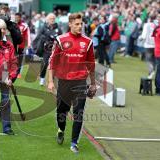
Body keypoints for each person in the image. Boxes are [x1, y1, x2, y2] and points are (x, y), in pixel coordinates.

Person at [48, 13, 97, 153]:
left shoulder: (88, 42)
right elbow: (52, 61)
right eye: (76, 24)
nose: (80, 26)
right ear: (70, 24)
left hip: (80, 82)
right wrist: (51, 81)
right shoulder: (60, 40)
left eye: (81, 24)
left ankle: (74, 143)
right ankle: (61, 129)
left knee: (78, 113)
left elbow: (91, 65)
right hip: (63, 82)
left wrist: (93, 84)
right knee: (61, 112)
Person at [35, 13, 62, 86]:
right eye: (51, 18)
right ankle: (42, 78)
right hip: (46, 49)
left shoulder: (58, 28)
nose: (52, 20)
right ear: (47, 19)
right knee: (45, 63)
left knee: (55, 65)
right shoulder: (43, 27)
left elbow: (61, 38)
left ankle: (52, 80)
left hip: (55, 49)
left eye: (53, 18)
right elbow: (38, 36)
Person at [139, 14, 156, 79]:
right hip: (155, 45)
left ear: (149, 19)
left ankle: (151, 72)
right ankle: (153, 70)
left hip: (148, 45)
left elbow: (143, 35)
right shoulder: (156, 25)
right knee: (153, 59)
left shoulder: (146, 25)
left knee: (148, 60)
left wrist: (140, 38)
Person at [15, 12, 31, 78]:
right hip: (13, 45)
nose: (17, 19)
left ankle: (18, 73)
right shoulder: (12, 24)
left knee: (20, 59)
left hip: (21, 45)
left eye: (18, 17)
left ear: (20, 18)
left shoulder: (24, 25)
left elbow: (28, 35)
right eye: (16, 17)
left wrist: (29, 43)